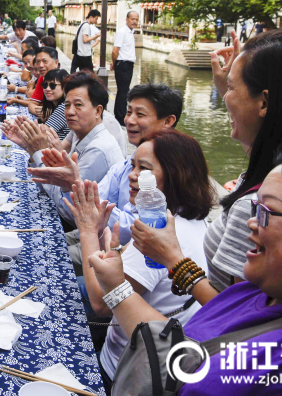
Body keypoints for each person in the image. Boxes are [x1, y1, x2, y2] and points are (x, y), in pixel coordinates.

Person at [89, 143, 282, 394]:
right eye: (255, 208)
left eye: (269, 212)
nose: (250, 222)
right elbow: (183, 351)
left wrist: (89, 231)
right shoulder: (251, 293)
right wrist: (117, 286)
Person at [135, 31, 282, 306]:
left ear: (265, 103)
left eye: (232, 89)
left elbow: (236, 313)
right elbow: (264, 137)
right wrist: (233, 85)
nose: (225, 99)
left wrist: (173, 259)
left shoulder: (260, 207)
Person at [67, 129, 214, 386]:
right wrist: (102, 234)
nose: (132, 176)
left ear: (177, 175)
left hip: (124, 370)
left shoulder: (158, 234)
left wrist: (88, 230)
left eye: (144, 169)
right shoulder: (192, 219)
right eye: (132, 165)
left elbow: (101, 302)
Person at [30, 84, 183, 264]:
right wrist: (70, 185)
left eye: (140, 115)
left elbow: (131, 227)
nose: (130, 121)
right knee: (35, 247)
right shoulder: (128, 163)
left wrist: (73, 185)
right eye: (128, 112)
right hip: (97, 237)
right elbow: (96, 203)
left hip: (124, 257)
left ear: (168, 121)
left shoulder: (173, 168)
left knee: (43, 259)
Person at [12, 72, 125, 225]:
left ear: (98, 111)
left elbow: (68, 211)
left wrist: (38, 151)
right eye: (67, 105)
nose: (70, 112)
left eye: (78, 105)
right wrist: (31, 149)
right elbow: (50, 185)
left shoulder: (98, 149)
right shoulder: (80, 132)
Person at [9, 47, 58, 116]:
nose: (40, 65)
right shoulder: (42, 78)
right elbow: (33, 103)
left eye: (45, 61)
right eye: (38, 62)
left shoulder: (62, 80)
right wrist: (42, 114)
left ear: (56, 63)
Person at [111, 11, 139, 125]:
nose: (134, 21)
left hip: (127, 64)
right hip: (122, 64)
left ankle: (119, 114)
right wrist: (115, 63)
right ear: (127, 19)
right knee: (123, 91)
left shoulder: (131, 32)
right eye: (132, 19)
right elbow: (115, 51)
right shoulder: (122, 32)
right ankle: (120, 117)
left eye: (136, 19)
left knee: (123, 90)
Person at [40, 68, 70, 140]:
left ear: (65, 87)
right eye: (45, 85)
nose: (47, 89)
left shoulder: (64, 107)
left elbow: (42, 132)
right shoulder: (59, 105)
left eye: (52, 85)